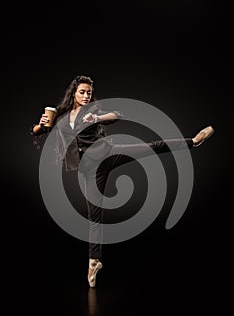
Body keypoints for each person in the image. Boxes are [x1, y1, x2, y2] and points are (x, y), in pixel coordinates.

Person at [30, 75, 215, 288]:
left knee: (150, 147)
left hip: (107, 155)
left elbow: (115, 114)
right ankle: (94, 262)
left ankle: (193, 141)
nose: (86, 95)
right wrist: (40, 125)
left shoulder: (91, 111)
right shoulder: (62, 116)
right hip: (89, 169)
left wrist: (96, 119)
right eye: (82, 92)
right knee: (94, 215)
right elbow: (40, 130)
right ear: (74, 93)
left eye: (89, 92)